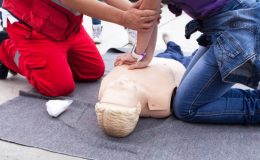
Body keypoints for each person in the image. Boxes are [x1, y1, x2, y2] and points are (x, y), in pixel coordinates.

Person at [116, 0, 260, 125]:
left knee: (186, 108)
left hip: (238, 25)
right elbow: (148, 17)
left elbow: (146, 18)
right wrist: (145, 56)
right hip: (222, 24)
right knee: (183, 96)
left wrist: (136, 55)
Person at [0, 0, 160, 97]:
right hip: (32, 25)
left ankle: (53, 60)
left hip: (66, 24)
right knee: (58, 87)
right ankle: (5, 48)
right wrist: (124, 18)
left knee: (94, 71)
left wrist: (136, 11)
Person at [96, 57, 186, 137]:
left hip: (144, 58)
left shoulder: (103, 94)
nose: (119, 82)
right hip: (172, 63)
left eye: (112, 88)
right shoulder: (160, 104)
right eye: (122, 91)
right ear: (138, 107)